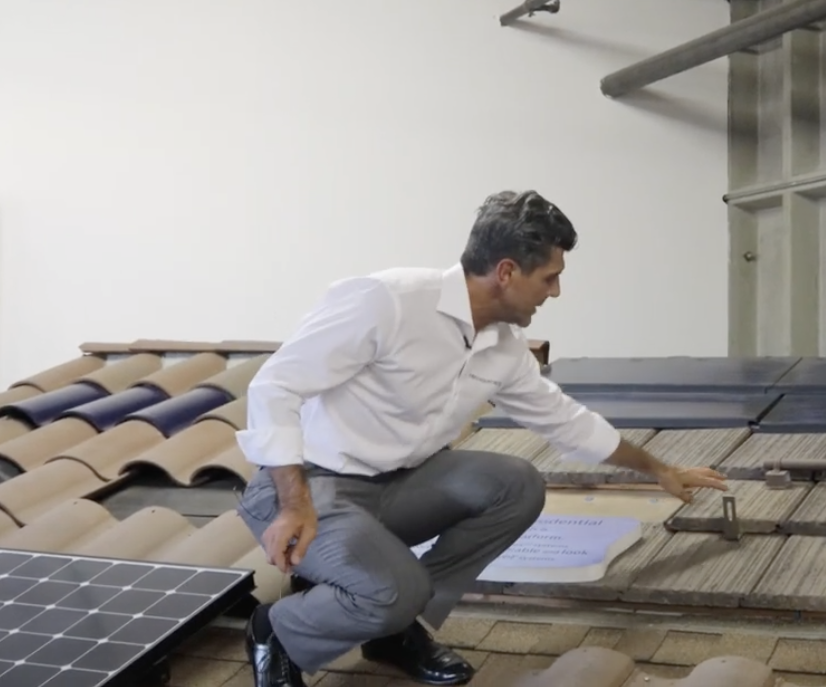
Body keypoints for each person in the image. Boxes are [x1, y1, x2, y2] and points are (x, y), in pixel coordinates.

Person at [233, 189, 730, 687]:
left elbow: (564, 419)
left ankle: (401, 630)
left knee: (516, 484)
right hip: (309, 490)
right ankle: (276, 629)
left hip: (397, 487)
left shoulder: (504, 348)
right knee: (391, 592)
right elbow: (275, 387)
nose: (555, 292)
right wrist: (293, 503)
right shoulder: (386, 301)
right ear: (507, 272)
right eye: (550, 278)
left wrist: (660, 470)